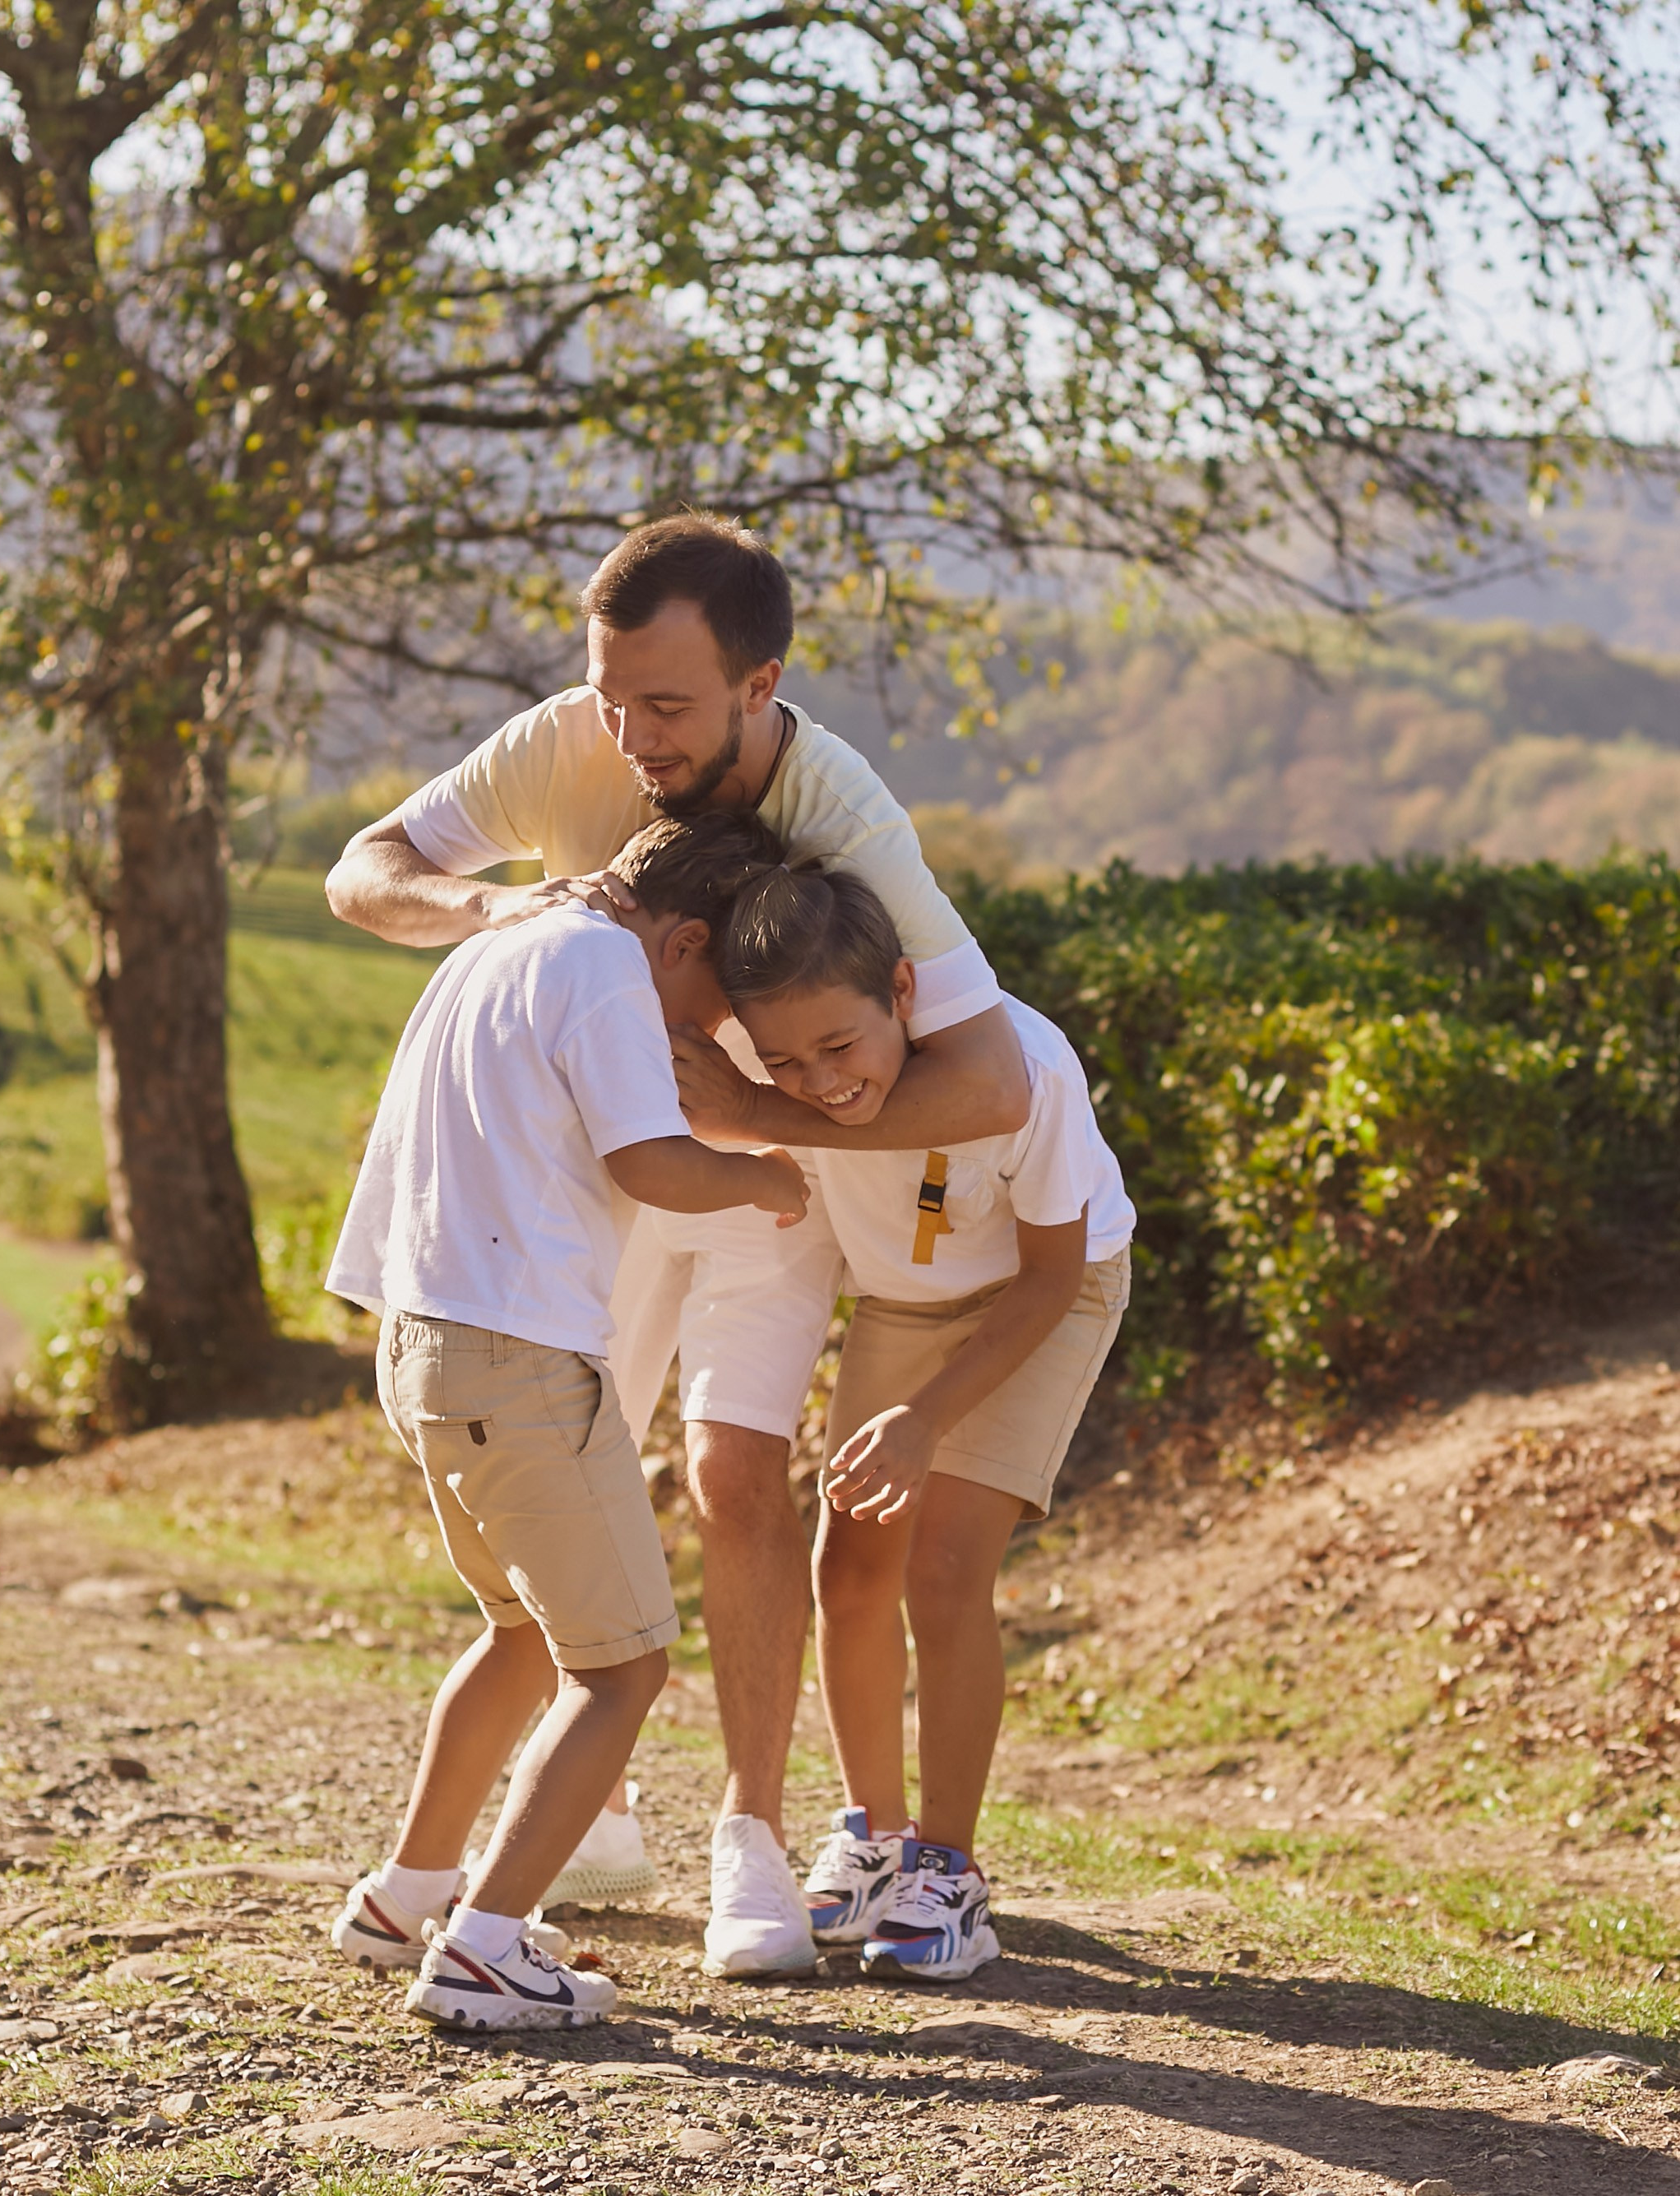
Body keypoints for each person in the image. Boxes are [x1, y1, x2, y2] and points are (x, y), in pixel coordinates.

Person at [326, 513, 1029, 1978]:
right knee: (557, 1537)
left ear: (761, 686)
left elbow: (993, 1078)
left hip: (760, 1159)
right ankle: (542, 1831)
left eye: (668, 707)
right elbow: (361, 872)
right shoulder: (572, 742)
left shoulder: (850, 814)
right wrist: (496, 909)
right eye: (611, 695)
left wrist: (768, 1141)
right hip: (591, 1194)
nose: (628, 734)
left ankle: (752, 1835)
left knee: (732, 1471)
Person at [324, 813, 808, 2030]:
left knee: (521, 1632)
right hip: (523, 1358)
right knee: (623, 1665)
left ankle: (404, 1896)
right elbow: (654, 1163)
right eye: (708, 1003)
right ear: (683, 936)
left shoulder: (497, 944)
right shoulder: (602, 963)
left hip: (424, 1342)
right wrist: (762, 1169)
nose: (701, 1031)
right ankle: (484, 1947)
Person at [715, 860, 1134, 1982]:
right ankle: (873, 1835)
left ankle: (949, 1869)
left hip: (1046, 1288)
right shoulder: (774, 1069)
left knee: (945, 1570)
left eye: (840, 1049)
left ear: (904, 989)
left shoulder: (1028, 1070)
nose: (819, 1083)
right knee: (847, 1567)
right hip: (903, 1298)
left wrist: (924, 1418)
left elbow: (1050, 1278)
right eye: (787, 1061)